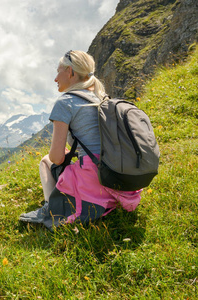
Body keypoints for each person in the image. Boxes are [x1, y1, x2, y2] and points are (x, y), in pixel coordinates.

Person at [19, 50, 142, 230]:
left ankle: (50, 208)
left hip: (95, 179)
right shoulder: (102, 98)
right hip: (120, 174)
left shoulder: (66, 102)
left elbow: (56, 158)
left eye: (58, 71)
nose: (55, 78)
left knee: (46, 161)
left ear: (70, 72)